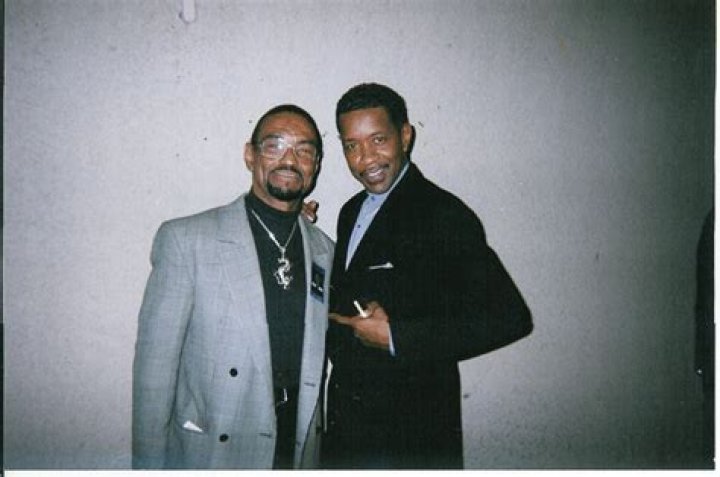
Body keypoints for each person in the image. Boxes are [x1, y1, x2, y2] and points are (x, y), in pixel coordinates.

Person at [322, 83, 533, 469]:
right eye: (352, 145)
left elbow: (511, 317)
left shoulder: (443, 214)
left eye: (378, 140)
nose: (365, 158)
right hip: (348, 427)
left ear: (405, 136)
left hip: (411, 435)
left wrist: (396, 337)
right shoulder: (350, 210)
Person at [132, 104, 334, 469]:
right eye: (275, 146)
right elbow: (154, 374)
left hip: (297, 447)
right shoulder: (187, 240)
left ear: (316, 165)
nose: (290, 160)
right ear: (249, 155)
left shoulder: (324, 250)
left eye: (304, 150)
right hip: (214, 450)